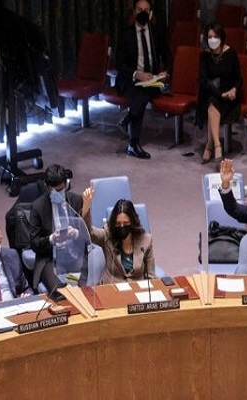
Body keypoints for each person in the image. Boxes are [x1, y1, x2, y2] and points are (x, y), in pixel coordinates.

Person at [115, 0, 172, 159]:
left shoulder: (156, 32)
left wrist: (166, 72)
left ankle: (130, 129)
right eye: (140, 10)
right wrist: (136, 74)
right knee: (140, 93)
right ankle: (133, 142)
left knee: (144, 91)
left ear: (151, 13)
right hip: (130, 79)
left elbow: (167, 55)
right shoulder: (125, 34)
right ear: (134, 12)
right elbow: (119, 64)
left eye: (146, 10)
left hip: (152, 80)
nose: (143, 13)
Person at [29, 164, 86, 292]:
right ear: (47, 187)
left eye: (60, 190)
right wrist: (51, 239)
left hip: (73, 254)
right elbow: (34, 243)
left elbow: (87, 234)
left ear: (66, 184)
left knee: (85, 285)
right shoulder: (38, 207)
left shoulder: (77, 201)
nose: (57, 194)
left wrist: (76, 233)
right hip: (50, 258)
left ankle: (73, 285)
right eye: (53, 191)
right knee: (60, 291)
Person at [196, 22, 242, 169]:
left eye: (215, 36)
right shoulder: (204, 56)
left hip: (229, 96)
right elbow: (204, 81)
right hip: (211, 93)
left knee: (213, 104)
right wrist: (220, 94)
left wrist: (233, 90)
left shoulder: (231, 53)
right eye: (209, 37)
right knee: (211, 102)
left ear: (221, 37)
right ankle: (217, 146)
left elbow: (239, 79)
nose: (212, 39)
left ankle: (210, 144)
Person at [81, 192, 155, 283]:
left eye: (126, 223)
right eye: (118, 223)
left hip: (136, 288)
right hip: (112, 286)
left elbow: (151, 276)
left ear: (133, 222)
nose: (122, 226)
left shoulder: (146, 240)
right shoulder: (108, 235)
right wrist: (86, 206)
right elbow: (89, 233)